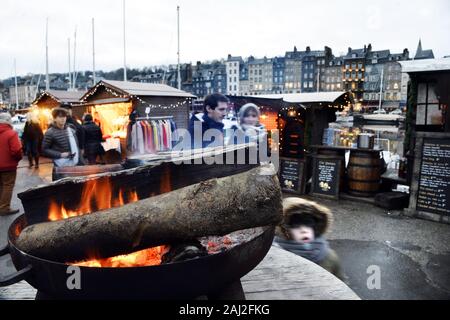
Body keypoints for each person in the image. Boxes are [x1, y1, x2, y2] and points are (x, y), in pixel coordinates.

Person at [274, 197, 344, 280]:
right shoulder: (273, 254)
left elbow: (341, 284)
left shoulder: (328, 256)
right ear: (284, 229)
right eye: (296, 225)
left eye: (308, 223)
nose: (304, 230)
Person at [0, 112, 23, 216]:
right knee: (7, 186)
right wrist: (17, 160)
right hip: (8, 166)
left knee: (1, 186)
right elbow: (17, 150)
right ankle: (4, 208)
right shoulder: (11, 133)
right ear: (8, 121)